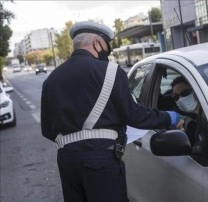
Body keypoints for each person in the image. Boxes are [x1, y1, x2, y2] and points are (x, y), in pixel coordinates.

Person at [41, 21, 180, 202]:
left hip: (67, 161)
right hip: (100, 161)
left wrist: (75, 143)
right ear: (96, 43)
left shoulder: (51, 80)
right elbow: (134, 115)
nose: (107, 53)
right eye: (107, 47)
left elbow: (47, 130)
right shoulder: (110, 71)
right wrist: (168, 117)